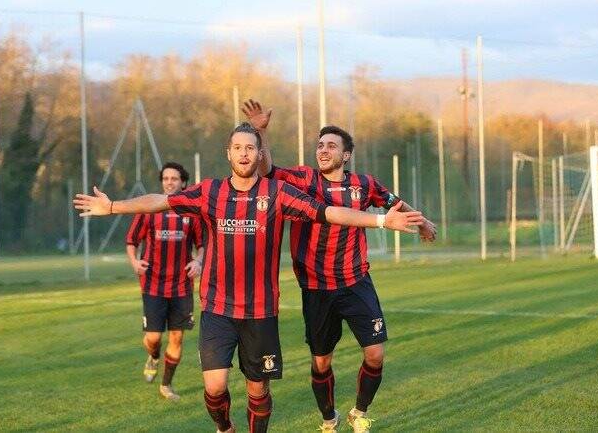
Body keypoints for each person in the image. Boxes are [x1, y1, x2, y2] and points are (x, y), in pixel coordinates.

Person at [74, 123, 424, 433]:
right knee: (214, 387)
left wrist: (381, 221)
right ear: (229, 153)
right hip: (218, 308)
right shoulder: (210, 191)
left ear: (260, 154)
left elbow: (329, 212)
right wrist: (114, 206)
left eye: (251, 147)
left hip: (260, 311)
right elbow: (162, 201)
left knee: (258, 390)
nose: (244, 153)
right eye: (238, 147)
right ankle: (225, 428)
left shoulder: (278, 193)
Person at [242, 99, 436, 433]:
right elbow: (268, 172)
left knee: (375, 354)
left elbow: (394, 203)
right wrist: (260, 132)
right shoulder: (304, 180)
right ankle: (328, 419)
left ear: (345, 155)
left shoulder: (365, 184)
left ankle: (359, 412)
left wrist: (423, 220)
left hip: (356, 281)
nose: (323, 150)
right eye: (320, 145)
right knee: (321, 362)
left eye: (331, 145)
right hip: (317, 288)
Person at [125, 162, 204, 401]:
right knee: (153, 338)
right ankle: (154, 357)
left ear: (183, 183)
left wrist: (199, 261)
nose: (169, 182)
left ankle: (166, 385)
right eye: (166, 178)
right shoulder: (149, 209)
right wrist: (134, 262)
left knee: (177, 337)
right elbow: (131, 241)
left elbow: (202, 244)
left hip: (181, 285)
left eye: (174, 178)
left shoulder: (191, 211)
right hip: (153, 285)